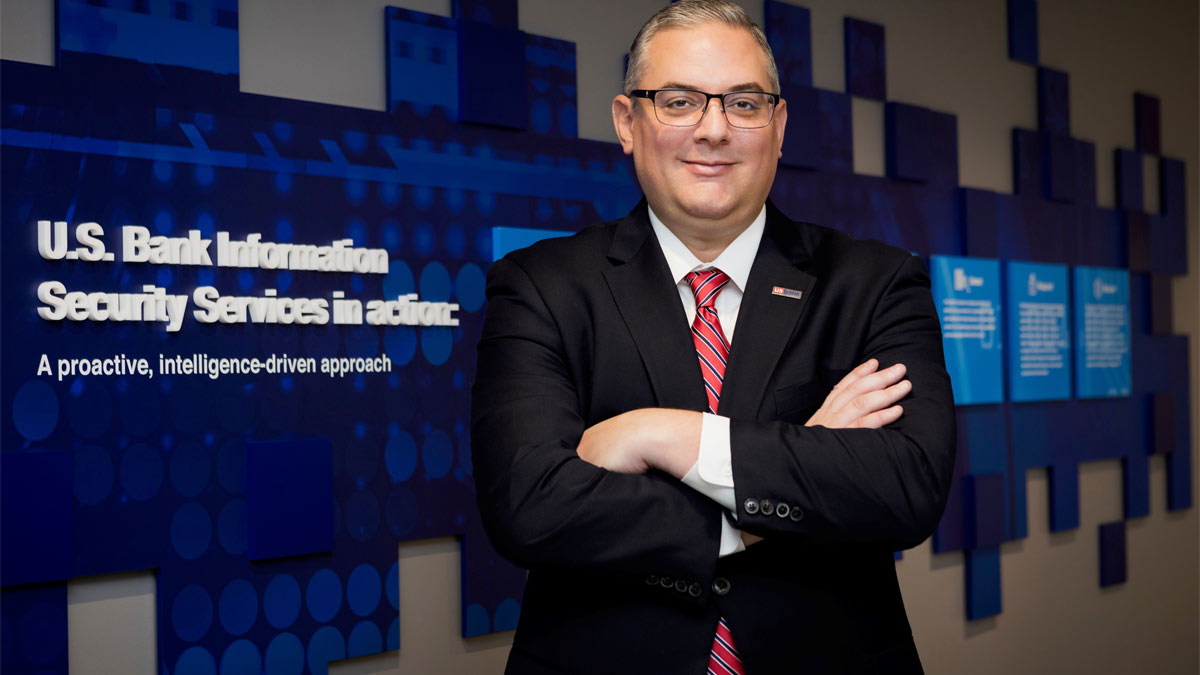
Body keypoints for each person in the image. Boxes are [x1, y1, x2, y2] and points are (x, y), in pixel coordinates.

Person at [471, 1, 956, 673]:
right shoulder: (542, 285)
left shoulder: (874, 283)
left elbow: (906, 486)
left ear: (779, 126)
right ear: (627, 122)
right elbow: (531, 505)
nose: (714, 129)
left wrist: (667, 435)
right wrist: (775, 494)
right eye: (678, 101)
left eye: (744, 104)